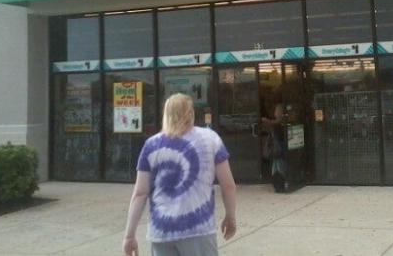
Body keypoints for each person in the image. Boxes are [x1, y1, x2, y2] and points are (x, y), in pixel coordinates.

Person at [122, 94, 237, 256]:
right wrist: (230, 217)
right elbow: (228, 185)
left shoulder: (151, 145)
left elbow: (140, 193)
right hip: (199, 229)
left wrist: (129, 235)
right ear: (191, 113)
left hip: (162, 231)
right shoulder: (211, 139)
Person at [261, 102, 286, 192]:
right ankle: (277, 183)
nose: (276, 112)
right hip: (277, 146)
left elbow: (275, 123)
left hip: (279, 145)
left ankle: (280, 183)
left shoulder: (280, 122)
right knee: (276, 164)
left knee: (279, 164)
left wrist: (267, 121)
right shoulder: (277, 122)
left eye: (277, 110)